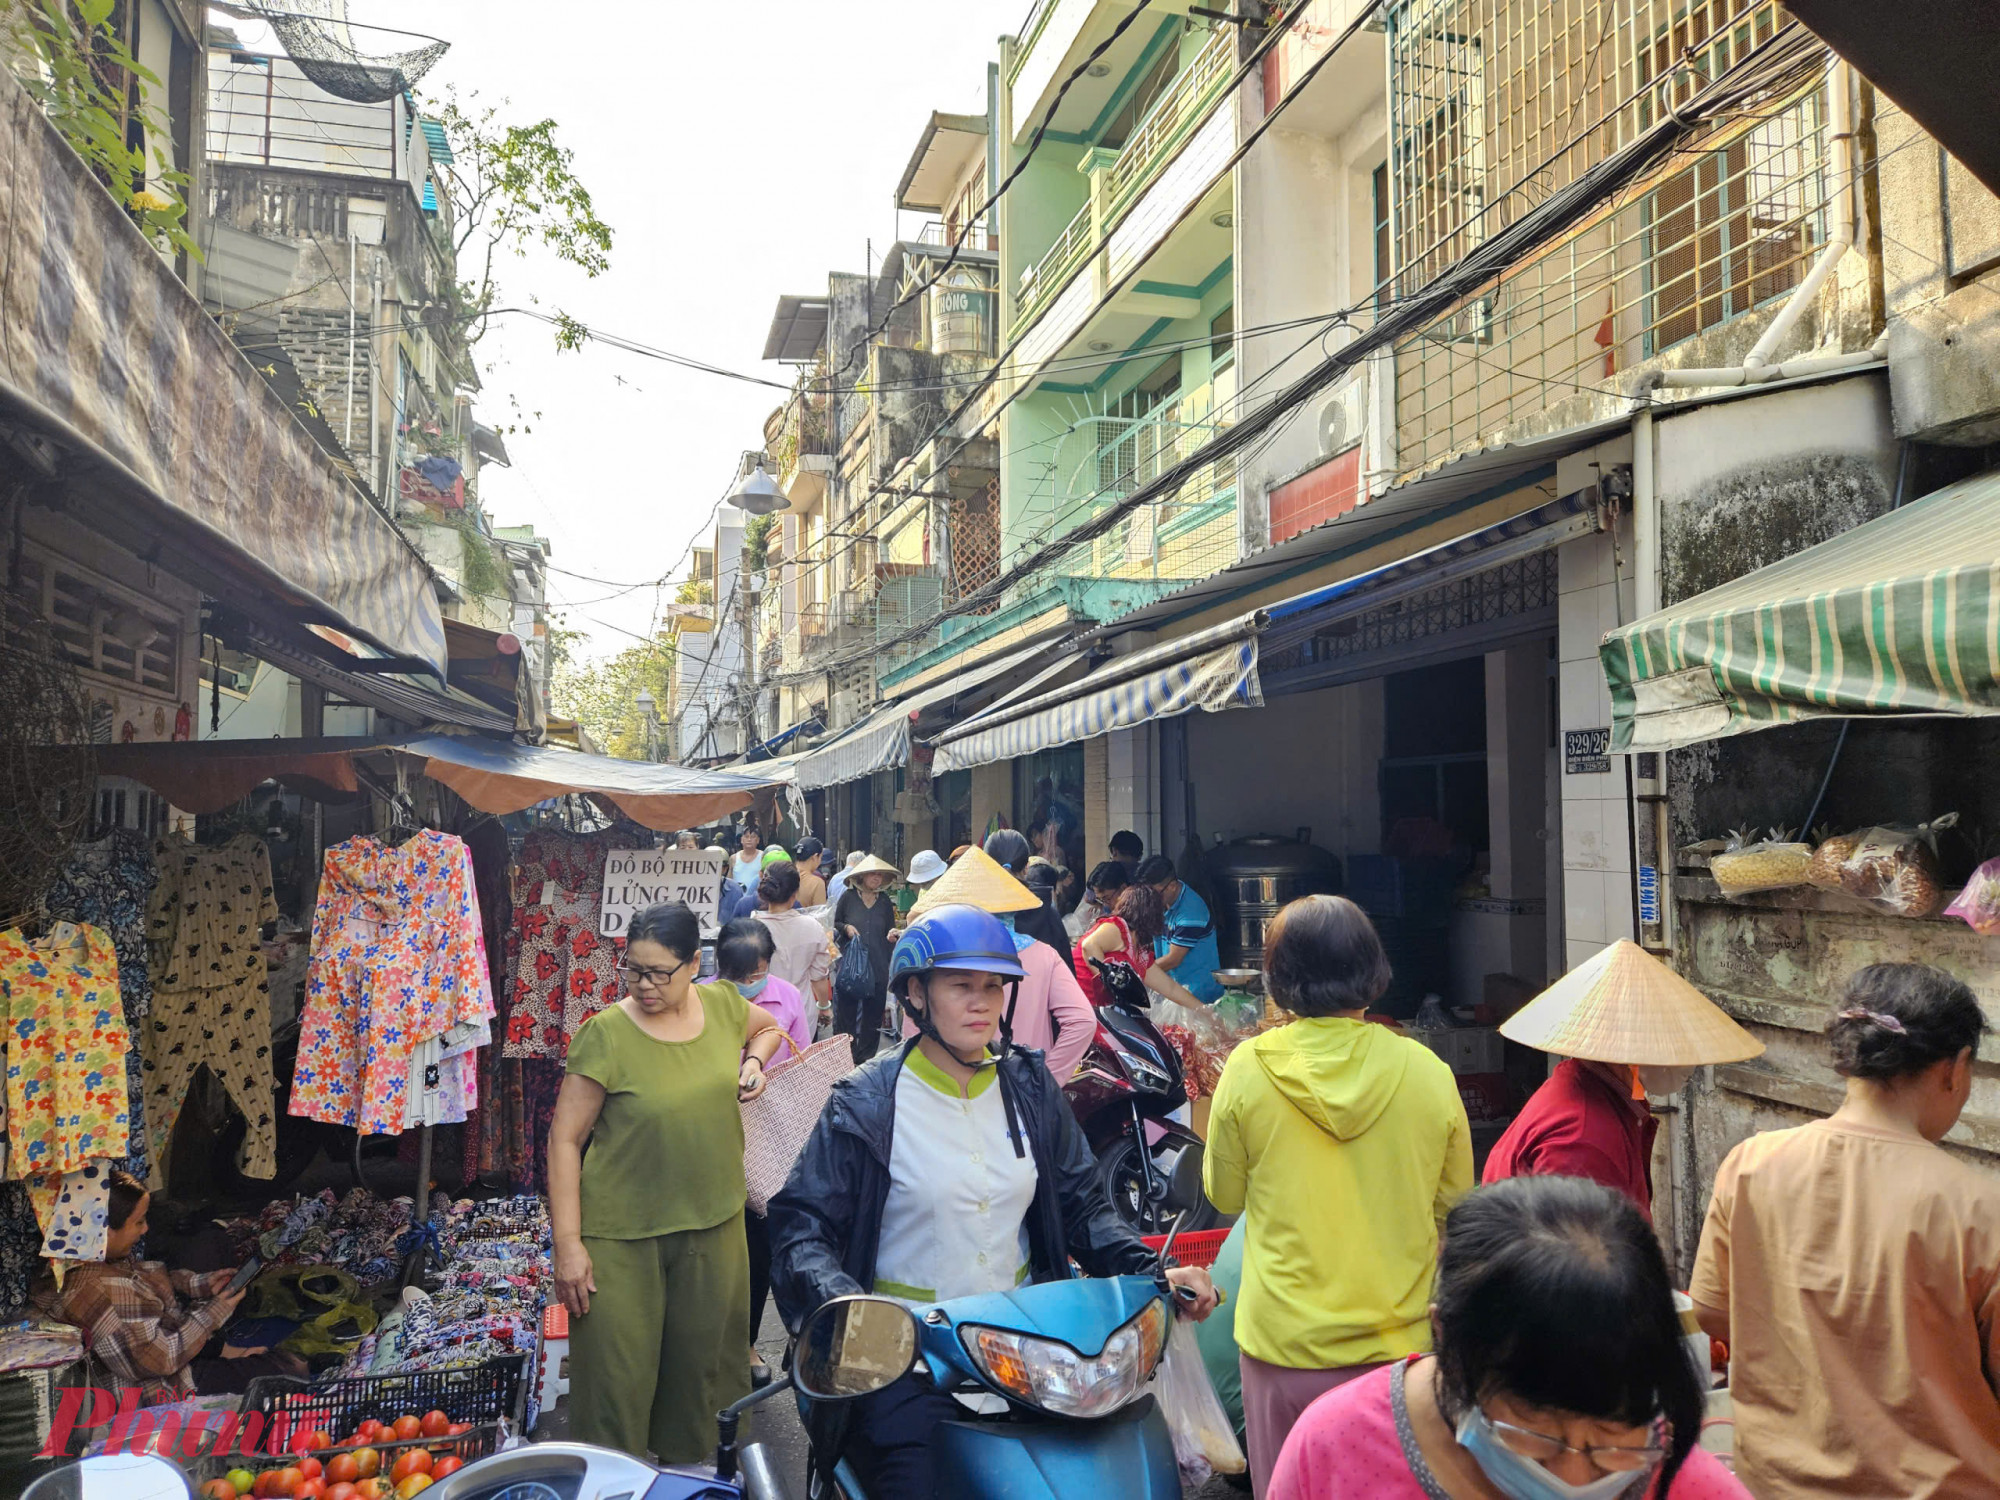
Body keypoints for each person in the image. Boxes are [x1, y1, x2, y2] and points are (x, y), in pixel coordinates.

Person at [768, 905, 1217, 1500]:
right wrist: (849, 1312)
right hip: (908, 1367)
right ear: (916, 995)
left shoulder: (1031, 1087)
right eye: (961, 985)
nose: (982, 1002)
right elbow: (802, 1230)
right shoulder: (865, 1101)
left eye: (993, 986)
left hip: (1031, 1356)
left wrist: (1150, 1272)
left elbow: (1083, 1207)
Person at [1690, 963, 2000, 1498]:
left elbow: (1713, 1314)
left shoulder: (1751, 1164)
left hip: (1776, 1485)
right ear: (1956, 1068)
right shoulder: (1979, 1208)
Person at [1205, 895, 1473, 1496]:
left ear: (1278, 979)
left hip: (1281, 1347)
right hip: (1397, 1353)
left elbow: (1223, 1192)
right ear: (1373, 974)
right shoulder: (1428, 1071)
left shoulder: (1247, 1068)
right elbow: (1456, 1209)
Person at [1269, 1175, 1748, 1500]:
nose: (1575, 1480)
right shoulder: (1336, 1446)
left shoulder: (1679, 1476)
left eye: (1610, 1442)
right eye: (1538, 1435)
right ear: (1451, 1344)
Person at [549, 901, 785, 1461]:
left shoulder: (724, 1005)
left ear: (694, 963)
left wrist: (753, 1061)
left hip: (714, 1229)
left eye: (659, 972)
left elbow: (770, 1027)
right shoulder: (604, 1033)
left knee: (700, 1383)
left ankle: (691, 1482)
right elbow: (564, 1139)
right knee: (615, 1388)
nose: (644, 985)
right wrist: (568, 1245)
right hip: (621, 1239)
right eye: (634, 969)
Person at [1487, 940, 1761, 1220]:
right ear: (1626, 1046)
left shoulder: (1597, 1090)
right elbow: (1579, 1254)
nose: (1684, 1063)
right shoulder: (1583, 1137)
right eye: (1668, 1043)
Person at [41, 1169, 292, 1403]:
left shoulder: (101, 1259)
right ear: (104, 1231)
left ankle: (227, 1353)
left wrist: (199, 1285)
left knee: (211, 1244)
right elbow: (155, 1360)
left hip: (176, 1350)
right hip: (159, 1391)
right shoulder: (90, 1289)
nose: (146, 1229)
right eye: (138, 1222)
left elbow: (148, 1279)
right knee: (284, 1370)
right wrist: (212, 1314)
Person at [899, 847, 1096, 1083]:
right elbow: (1083, 1021)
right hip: (1023, 1091)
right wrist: (1046, 1081)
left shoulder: (936, 960)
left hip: (954, 1090)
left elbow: (912, 1034)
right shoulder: (1045, 955)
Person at [716, 916, 812, 1386]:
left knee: (772, 1246)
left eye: (758, 974)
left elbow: (800, 1065)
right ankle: (727, 1343)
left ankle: (766, 1340)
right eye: (740, 978)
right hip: (717, 1141)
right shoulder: (701, 1001)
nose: (751, 985)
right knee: (729, 1253)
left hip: (773, 1140)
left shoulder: (788, 999)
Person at [833, 855, 900, 1063]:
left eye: (880, 875)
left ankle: (865, 1059)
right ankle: (845, 1056)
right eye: (873, 874)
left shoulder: (885, 902)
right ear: (861, 876)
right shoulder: (848, 897)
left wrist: (893, 934)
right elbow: (836, 922)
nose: (877, 878)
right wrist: (846, 928)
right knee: (846, 1015)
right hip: (852, 966)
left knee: (873, 1016)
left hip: (878, 966)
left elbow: (890, 929)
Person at [1136, 854, 1223, 1003]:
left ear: (1172, 886)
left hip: (1195, 994)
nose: (1150, 899)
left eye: (1154, 893)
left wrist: (1137, 973)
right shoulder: (1163, 900)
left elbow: (1173, 959)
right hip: (1172, 987)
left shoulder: (1190, 912)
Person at [754, 861, 834, 1022]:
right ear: (796, 892)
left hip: (761, 1014)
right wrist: (824, 1007)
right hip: (801, 1012)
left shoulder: (752, 928)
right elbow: (819, 977)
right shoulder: (813, 927)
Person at [984, 829, 1069, 955]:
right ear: (1027, 868)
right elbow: (1066, 968)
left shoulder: (976, 912)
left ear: (985, 867)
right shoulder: (1047, 911)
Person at [794, 838, 828, 907]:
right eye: (820, 858)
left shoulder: (784, 875)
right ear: (815, 857)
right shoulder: (817, 883)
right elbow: (819, 915)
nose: (820, 862)